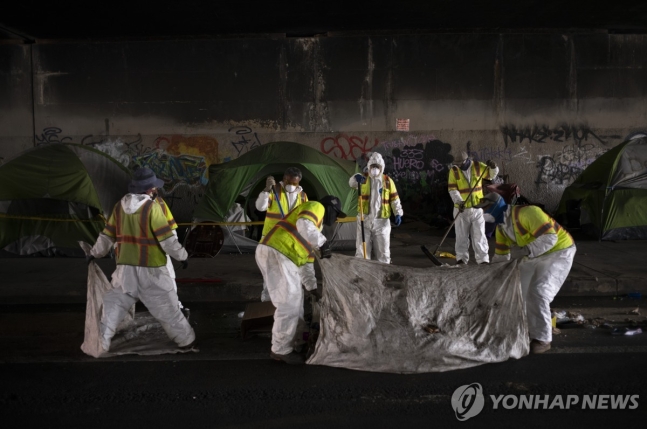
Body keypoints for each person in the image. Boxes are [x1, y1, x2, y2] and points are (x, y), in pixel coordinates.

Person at [87, 167, 195, 352]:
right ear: (150, 189)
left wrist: (93, 253)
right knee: (168, 310)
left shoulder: (118, 207)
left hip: (125, 272)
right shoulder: (153, 208)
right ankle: (186, 341)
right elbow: (167, 240)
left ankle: (101, 343)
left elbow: (106, 237)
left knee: (112, 309)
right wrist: (182, 256)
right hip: (151, 271)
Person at [475, 192, 576, 354]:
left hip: (558, 252)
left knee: (539, 292)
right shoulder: (501, 228)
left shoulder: (528, 212)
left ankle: (543, 339)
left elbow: (550, 238)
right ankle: (525, 330)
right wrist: (489, 274)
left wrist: (522, 251)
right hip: (532, 256)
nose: (484, 213)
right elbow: (501, 257)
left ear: (495, 207)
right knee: (518, 293)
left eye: (485, 208)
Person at [255, 195, 346, 365]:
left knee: (294, 302)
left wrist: (312, 288)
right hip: (279, 252)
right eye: (336, 214)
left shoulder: (313, 233)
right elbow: (303, 224)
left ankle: (296, 340)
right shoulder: (316, 206)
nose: (334, 219)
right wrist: (322, 243)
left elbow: (306, 266)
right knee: (289, 304)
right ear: (330, 209)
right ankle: (280, 349)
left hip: (277, 254)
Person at [256, 167, 308, 302]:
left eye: (295, 183)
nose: (292, 186)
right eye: (290, 182)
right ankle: (267, 305)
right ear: (284, 179)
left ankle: (285, 304)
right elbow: (260, 207)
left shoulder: (303, 196)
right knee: (270, 275)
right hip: (270, 241)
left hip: (289, 242)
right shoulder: (274, 190)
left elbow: (304, 218)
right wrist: (266, 190)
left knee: (288, 275)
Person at [348, 152, 403, 263]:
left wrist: (398, 213)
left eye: (377, 167)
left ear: (381, 167)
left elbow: (394, 199)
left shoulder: (387, 181)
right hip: (364, 220)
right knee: (362, 251)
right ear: (369, 167)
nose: (374, 169)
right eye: (373, 166)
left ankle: (383, 275)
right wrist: (355, 177)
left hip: (381, 221)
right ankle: (363, 274)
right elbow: (351, 183)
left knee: (383, 252)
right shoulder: (363, 179)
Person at [447, 152, 499, 265]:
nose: (458, 165)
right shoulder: (454, 171)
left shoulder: (477, 166)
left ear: (466, 160)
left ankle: (483, 260)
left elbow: (491, 175)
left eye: (460, 163)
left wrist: (494, 167)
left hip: (477, 208)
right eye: (456, 164)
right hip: (461, 210)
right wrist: (459, 201)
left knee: (479, 235)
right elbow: (452, 189)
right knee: (461, 236)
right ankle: (461, 259)